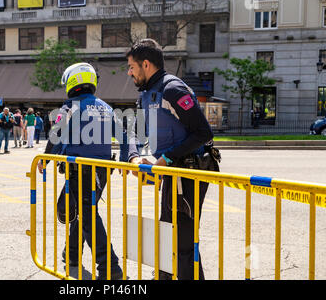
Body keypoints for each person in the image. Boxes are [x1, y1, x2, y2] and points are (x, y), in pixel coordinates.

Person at [126, 39, 218, 280]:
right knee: (167, 237)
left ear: (146, 64)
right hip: (172, 173)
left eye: (132, 67)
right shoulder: (146, 94)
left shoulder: (172, 89)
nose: (129, 72)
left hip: (189, 174)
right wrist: (135, 157)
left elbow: (203, 133)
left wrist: (166, 158)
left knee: (183, 244)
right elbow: (135, 130)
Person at [38, 62, 137, 280]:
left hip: (79, 170)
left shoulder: (71, 106)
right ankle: (72, 254)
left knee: (87, 215)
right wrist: (126, 159)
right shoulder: (106, 107)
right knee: (81, 212)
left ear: (72, 82)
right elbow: (126, 134)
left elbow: (56, 134)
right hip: (101, 171)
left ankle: (109, 267)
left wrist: (44, 160)